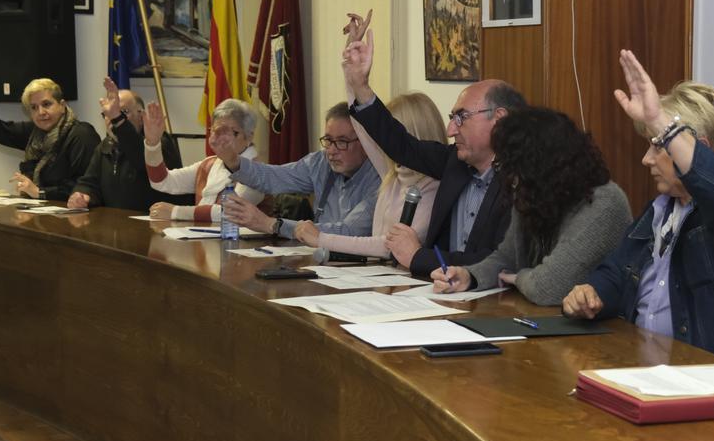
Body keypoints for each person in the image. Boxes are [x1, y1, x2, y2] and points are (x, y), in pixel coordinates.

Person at [562, 57, 714, 385]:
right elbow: (619, 271)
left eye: (657, 146)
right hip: (654, 376)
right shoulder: (660, 207)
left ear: (696, 149)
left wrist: (665, 126)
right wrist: (592, 292)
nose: (646, 159)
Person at [343, 22, 523, 276]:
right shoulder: (455, 163)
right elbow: (401, 144)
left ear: (499, 118)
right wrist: (360, 86)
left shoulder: (523, 181)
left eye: (462, 117)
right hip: (435, 294)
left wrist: (420, 257)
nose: (450, 129)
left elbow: (498, 261)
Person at [431, 107, 631, 305]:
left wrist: (518, 278)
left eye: (514, 166)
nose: (510, 177)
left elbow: (548, 287)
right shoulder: (535, 194)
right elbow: (506, 257)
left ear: (542, 167)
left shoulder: (604, 203)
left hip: (606, 331)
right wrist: (470, 276)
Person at [299, 92, 446, 261]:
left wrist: (322, 239)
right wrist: (354, 80)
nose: (381, 142)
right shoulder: (393, 174)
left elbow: (389, 246)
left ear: (413, 135)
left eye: (389, 135)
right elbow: (361, 124)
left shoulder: (434, 186)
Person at [217, 102, 381, 240]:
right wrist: (232, 160)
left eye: (342, 141)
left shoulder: (381, 178)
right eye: (329, 140)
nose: (331, 150)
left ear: (367, 144)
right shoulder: (321, 163)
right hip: (319, 260)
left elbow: (348, 233)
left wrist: (271, 224)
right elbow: (274, 177)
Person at [0, 66, 100, 200]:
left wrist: (39, 192)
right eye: (34, 108)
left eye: (46, 104)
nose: (41, 112)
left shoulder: (82, 134)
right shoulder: (34, 133)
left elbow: (86, 185)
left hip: (80, 216)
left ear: (62, 105)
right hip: (42, 212)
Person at [66, 77, 182, 212]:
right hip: (118, 225)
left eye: (123, 112)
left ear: (141, 116)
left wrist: (119, 121)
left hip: (155, 224)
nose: (111, 119)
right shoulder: (106, 146)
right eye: (107, 114)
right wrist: (82, 195)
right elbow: (89, 183)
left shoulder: (159, 141)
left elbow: (140, 158)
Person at [143, 98, 264, 222]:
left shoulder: (256, 170)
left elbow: (232, 212)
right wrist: (153, 144)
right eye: (217, 131)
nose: (222, 138)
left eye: (231, 132)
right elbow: (162, 182)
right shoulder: (209, 165)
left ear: (249, 136)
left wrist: (176, 211)